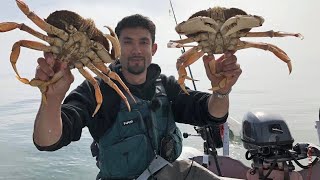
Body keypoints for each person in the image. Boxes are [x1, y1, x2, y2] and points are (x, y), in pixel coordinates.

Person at [32, 14, 242, 180]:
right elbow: (47, 140)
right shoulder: (96, 90)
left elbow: (212, 113)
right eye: (128, 42)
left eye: (143, 42)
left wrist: (221, 90)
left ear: (153, 49)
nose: (136, 50)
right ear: (116, 48)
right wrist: (52, 99)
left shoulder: (167, 85)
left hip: (173, 172)